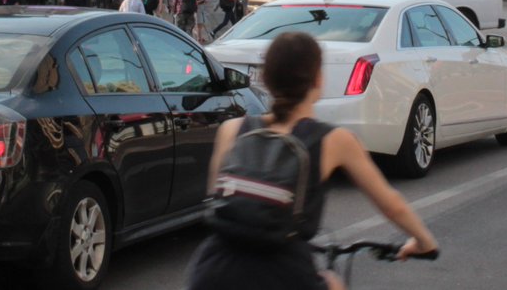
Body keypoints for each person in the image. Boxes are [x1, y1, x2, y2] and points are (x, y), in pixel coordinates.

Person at [185, 32, 438, 290]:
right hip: (283, 273)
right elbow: (391, 205)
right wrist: (424, 242)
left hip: (213, 270)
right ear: (318, 79)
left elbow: (216, 200)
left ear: (266, 79)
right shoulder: (334, 140)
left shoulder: (232, 129)